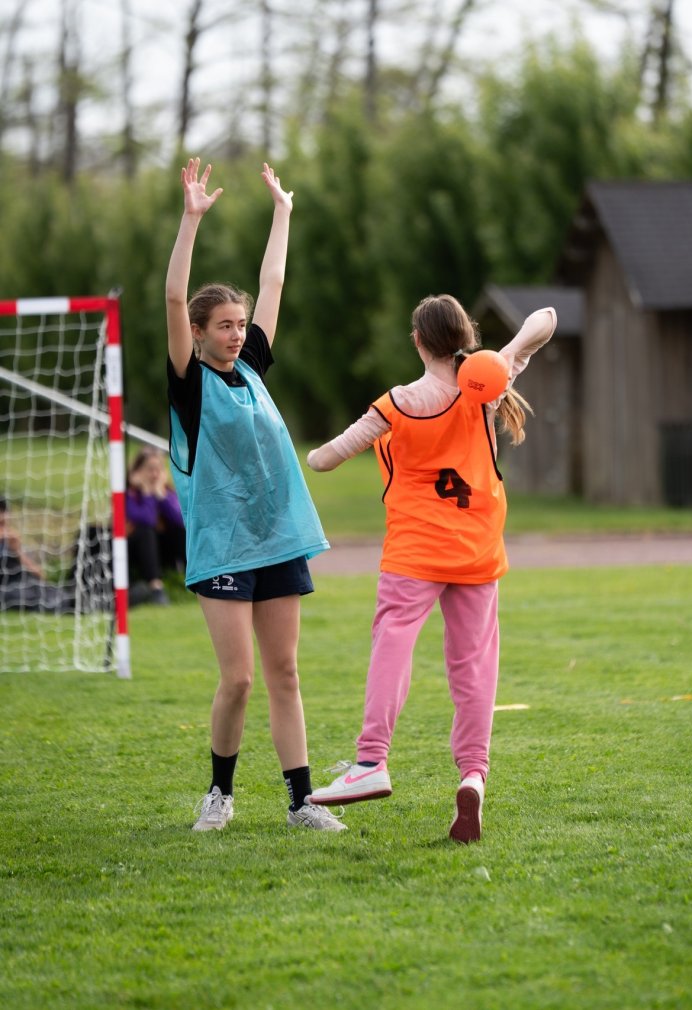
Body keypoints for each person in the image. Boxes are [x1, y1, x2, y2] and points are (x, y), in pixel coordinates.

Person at [306, 294, 556, 843]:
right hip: (477, 550)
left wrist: (309, 453)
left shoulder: (398, 402)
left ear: (417, 342)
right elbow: (547, 319)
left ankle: (371, 760)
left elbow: (324, 458)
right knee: (474, 668)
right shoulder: (487, 386)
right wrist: (503, 357)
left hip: (415, 552)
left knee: (392, 643)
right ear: (464, 336)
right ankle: (473, 775)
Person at [166, 157, 345, 834]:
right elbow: (173, 298)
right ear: (200, 332)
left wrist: (283, 212)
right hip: (222, 545)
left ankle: (302, 803)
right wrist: (191, 221)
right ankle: (219, 794)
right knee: (238, 679)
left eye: (241, 325)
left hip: (277, 538)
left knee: (285, 674)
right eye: (224, 325)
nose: (237, 333)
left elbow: (274, 281)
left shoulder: (252, 368)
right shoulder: (190, 383)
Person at [126, 447, 186, 606]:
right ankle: (155, 588)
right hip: (136, 552)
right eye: (149, 469)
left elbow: (180, 520)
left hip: (165, 552)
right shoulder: (130, 495)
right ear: (138, 472)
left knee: (181, 532)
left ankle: (195, 579)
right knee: (146, 532)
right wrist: (147, 493)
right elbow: (147, 519)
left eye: (158, 469)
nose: (154, 474)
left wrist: (161, 496)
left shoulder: (167, 493)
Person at [0, 496, 74, 614]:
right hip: (7, 588)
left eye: (4, 523)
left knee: (57, 594)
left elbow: (40, 574)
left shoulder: (12, 541)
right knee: (21, 595)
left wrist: (17, 550)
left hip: (25, 583)